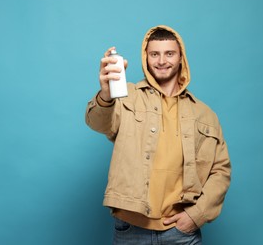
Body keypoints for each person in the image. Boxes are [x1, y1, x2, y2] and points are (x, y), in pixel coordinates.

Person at [85, 25, 231, 245]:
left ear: (181, 58)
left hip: (181, 232)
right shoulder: (126, 96)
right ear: (146, 58)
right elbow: (98, 123)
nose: (162, 61)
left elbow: (220, 170)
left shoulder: (204, 114)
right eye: (155, 54)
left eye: (169, 53)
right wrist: (106, 94)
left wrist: (196, 215)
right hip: (130, 229)